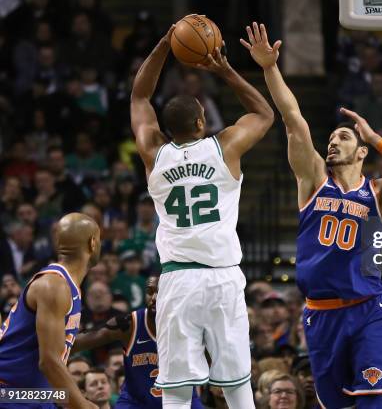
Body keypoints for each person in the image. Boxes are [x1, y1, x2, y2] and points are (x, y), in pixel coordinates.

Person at [240, 22, 382, 408]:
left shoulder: (378, 191)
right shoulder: (313, 181)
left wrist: (376, 138)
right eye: (331, 138)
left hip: (368, 308)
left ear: (361, 152)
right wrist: (269, 68)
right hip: (321, 314)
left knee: (371, 399)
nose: (333, 141)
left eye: (343, 137)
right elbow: (293, 118)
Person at [131, 25, 274, 408]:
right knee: (237, 384)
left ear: (166, 130)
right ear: (201, 123)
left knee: (176, 389)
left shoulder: (153, 153)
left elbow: (140, 94)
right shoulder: (224, 147)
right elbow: (263, 113)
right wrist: (225, 70)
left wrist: (164, 43)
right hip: (222, 278)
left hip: (177, 280)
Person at [0, 213, 102, 409]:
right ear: (93, 243)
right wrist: (83, 405)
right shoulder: (55, 285)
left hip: (31, 394)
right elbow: (48, 362)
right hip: (9, 393)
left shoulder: (66, 285)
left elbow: (56, 350)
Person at [73, 276, 203, 408]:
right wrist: (55, 345)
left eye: (161, 291)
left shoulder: (191, 325)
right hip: (136, 403)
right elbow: (78, 343)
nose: (154, 298)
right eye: (150, 292)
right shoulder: (129, 325)